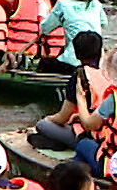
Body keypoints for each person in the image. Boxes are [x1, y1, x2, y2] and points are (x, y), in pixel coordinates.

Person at [32, 31, 109, 161]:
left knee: (42, 125)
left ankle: (60, 142)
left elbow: (62, 117)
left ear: (77, 54)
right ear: (100, 51)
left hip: (89, 134)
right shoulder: (108, 74)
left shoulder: (80, 76)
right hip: (106, 131)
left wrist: (48, 118)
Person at [42, 0, 107, 68]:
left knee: (44, 64)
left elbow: (45, 28)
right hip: (97, 59)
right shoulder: (96, 4)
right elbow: (104, 23)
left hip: (73, 60)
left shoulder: (63, 5)